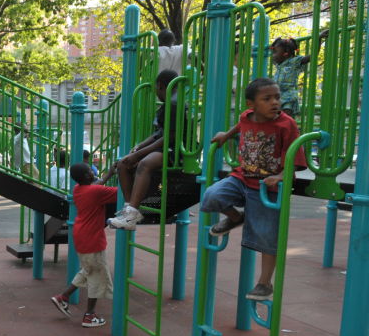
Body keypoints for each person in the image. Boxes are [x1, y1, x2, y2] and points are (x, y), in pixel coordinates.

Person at [200, 77, 307, 300]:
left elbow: (295, 158)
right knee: (211, 195)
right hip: (241, 177)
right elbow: (241, 125)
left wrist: (280, 176)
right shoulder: (246, 116)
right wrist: (226, 135)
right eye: (267, 99)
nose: (274, 102)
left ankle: (264, 283)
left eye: (276, 97)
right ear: (252, 105)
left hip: (267, 186)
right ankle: (235, 217)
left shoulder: (286, 125)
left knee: (268, 236)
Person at [108, 70, 182, 230]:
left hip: (174, 151)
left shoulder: (175, 104)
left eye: (156, 88)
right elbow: (158, 133)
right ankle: (129, 211)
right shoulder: (168, 103)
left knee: (144, 164)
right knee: (123, 164)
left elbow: (170, 137)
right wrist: (138, 147)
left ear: (160, 86)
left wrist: (139, 155)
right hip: (164, 147)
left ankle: (132, 213)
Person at [50, 163, 118, 327]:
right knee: (97, 276)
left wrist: (109, 174)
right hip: (92, 239)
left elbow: (96, 186)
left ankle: (63, 297)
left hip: (81, 236)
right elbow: (120, 194)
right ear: (87, 176)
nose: (93, 171)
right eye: (90, 170)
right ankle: (89, 315)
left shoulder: (78, 189)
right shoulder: (95, 192)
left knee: (88, 269)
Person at [271, 33, 327, 119]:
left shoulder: (294, 61)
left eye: (275, 52)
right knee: (276, 117)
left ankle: (289, 130)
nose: (273, 55)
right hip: (278, 95)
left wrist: (319, 39)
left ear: (285, 53)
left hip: (289, 95)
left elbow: (312, 56)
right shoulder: (279, 64)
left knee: (286, 118)